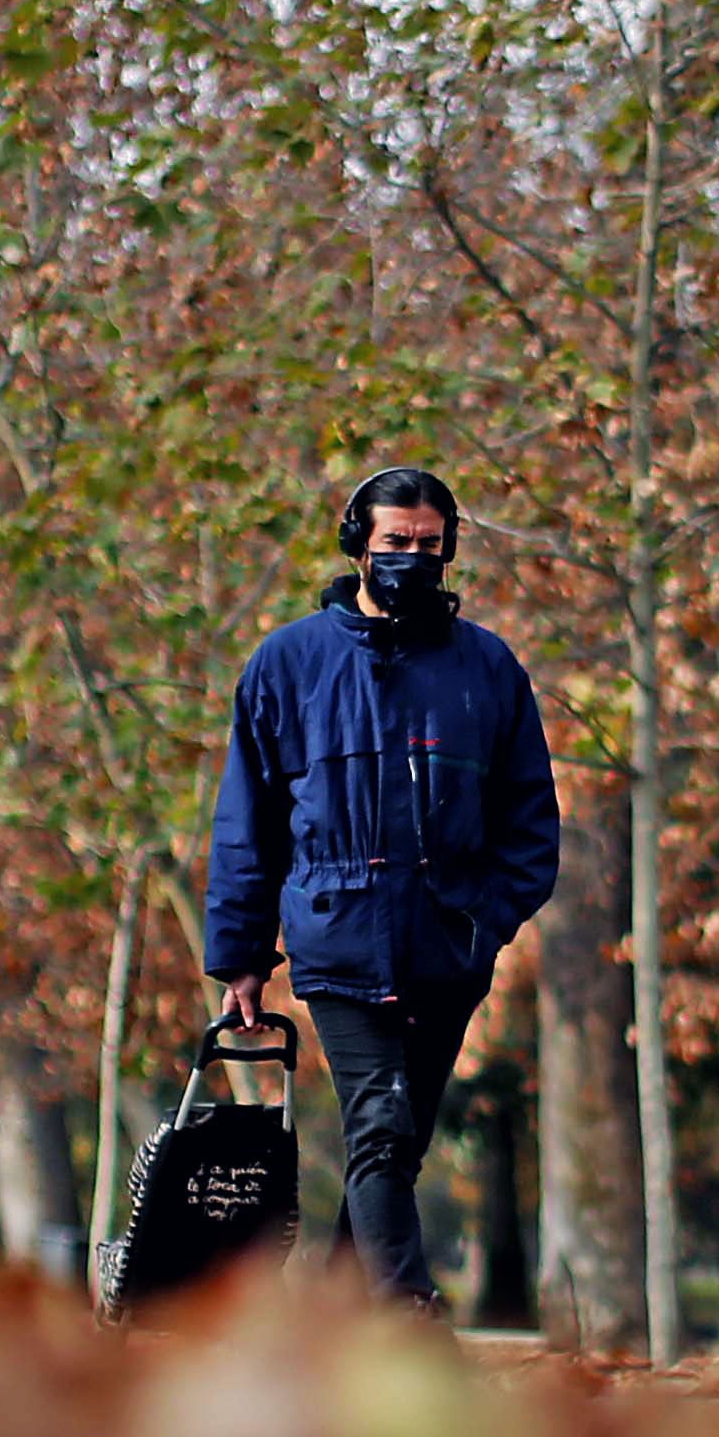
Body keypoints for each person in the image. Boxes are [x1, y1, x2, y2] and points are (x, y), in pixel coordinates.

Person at [205, 463, 562, 1309]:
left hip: (449, 944)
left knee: (394, 1144)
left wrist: (488, 919)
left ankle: (325, 1320)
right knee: (380, 1123)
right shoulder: (285, 664)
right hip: (337, 940)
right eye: (395, 542)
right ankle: (408, 1317)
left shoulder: (487, 667)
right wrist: (242, 961)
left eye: (428, 545)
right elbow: (245, 823)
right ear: (357, 542)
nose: (411, 558)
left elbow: (530, 819)